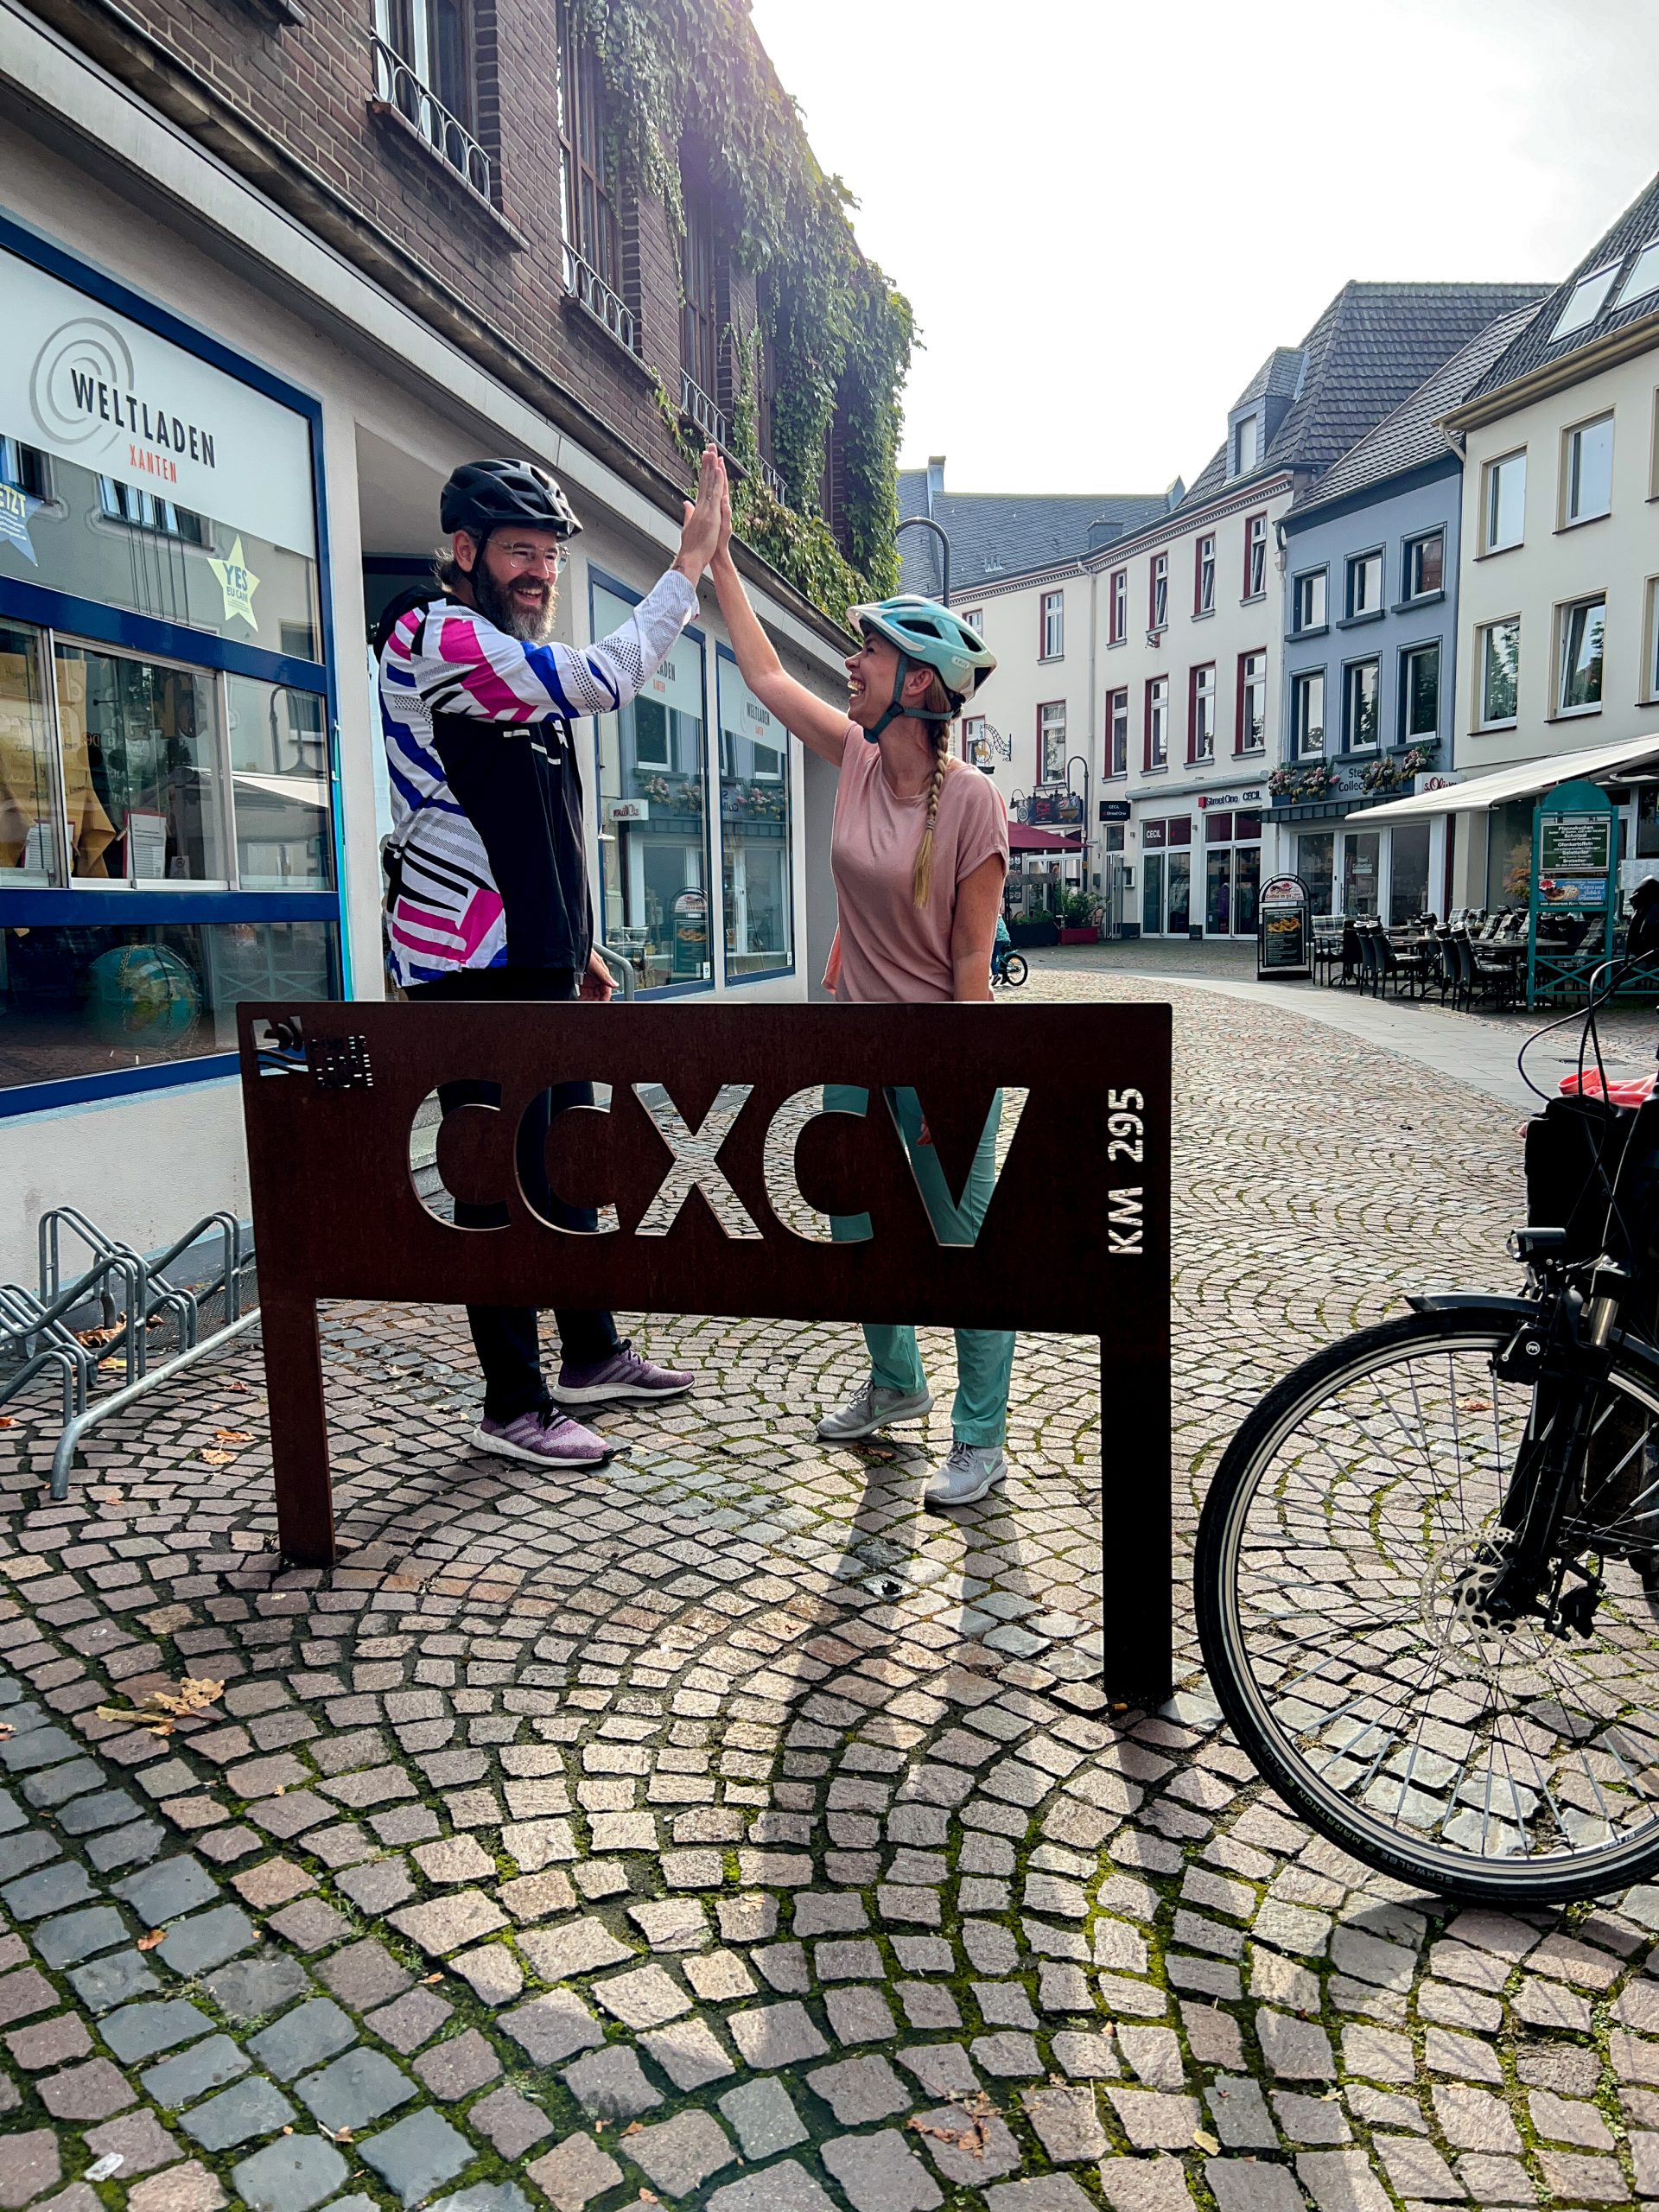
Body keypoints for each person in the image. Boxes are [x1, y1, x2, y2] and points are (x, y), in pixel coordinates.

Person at [375, 447, 727, 1471]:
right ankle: (512, 1402)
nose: (540, 571)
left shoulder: (495, 648)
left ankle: (590, 1352)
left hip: (535, 959)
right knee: (494, 1178)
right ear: (465, 550)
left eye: (550, 556)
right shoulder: (438, 636)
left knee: (567, 1150)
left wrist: (580, 946)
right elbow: (606, 677)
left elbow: (547, 820)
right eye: (520, 551)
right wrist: (689, 565)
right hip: (468, 969)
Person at [708, 472, 1014, 1509]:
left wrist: (971, 1088)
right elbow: (759, 673)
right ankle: (897, 1383)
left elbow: (971, 963)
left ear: (918, 681)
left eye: (869, 653)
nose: (850, 665)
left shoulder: (973, 804)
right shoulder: (849, 756)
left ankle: (982, 1434)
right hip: (853, 1049)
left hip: (939, 1055)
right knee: (853, 1221)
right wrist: (716, 557)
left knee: (963, 1248)